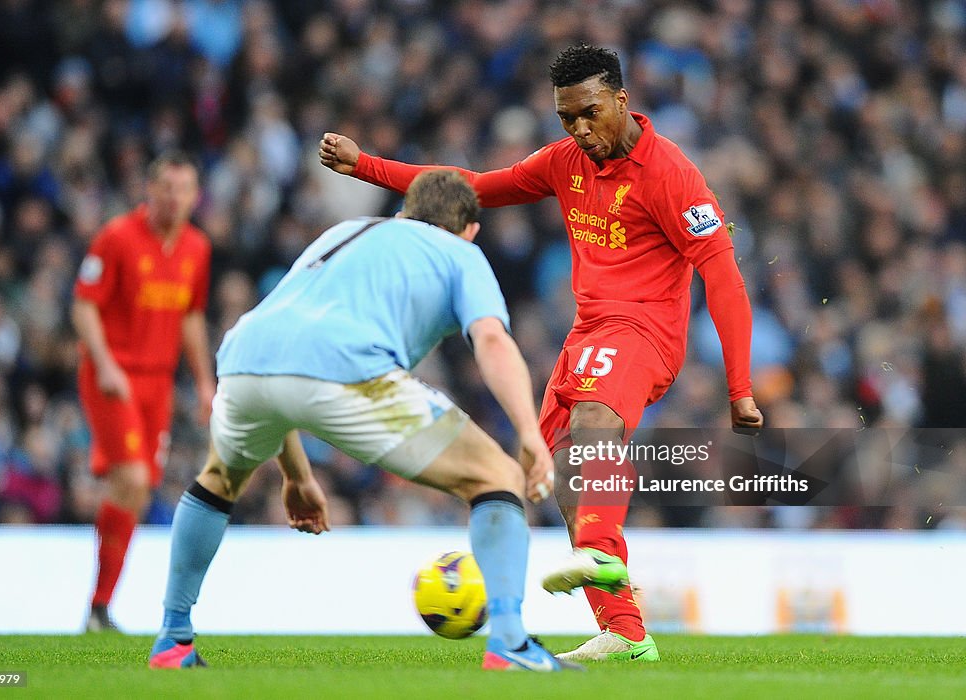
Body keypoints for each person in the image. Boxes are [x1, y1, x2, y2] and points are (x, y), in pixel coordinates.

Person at [319, 43, 764, 662]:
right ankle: (626, 634)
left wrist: (739, 386)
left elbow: (721, 273)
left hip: (644, 332)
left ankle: (600, 551)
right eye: (567, 119)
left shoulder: (671, 174)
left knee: (592, 427)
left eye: (590, 113)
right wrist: (365, 166)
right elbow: (471, 187)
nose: (580, 130)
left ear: (621, 100)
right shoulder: (564, 162)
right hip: (587, 333)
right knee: (559, 475)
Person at [147, 170, 576, 672]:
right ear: (470, 230)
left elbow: (288, 350)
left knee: (218, 479)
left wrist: (297, 476)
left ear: (403, 213)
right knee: (499, 477)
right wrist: (528, 432)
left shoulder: (345, 232)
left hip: (243, 357)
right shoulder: (461, 253)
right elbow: (492, 340)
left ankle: (173, 639)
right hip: (348, 369)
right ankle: (509, 643)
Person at [72, 151, 215, 632]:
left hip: (158, 382)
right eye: (167, 187)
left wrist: (202, 381)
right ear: (149, 190)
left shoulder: (197, 248)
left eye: (184, 189)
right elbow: (84, 305)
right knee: (131, 479)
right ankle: (98, 605)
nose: (175, 198)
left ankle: (99, 608)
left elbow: (191, 316)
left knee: (134, 490)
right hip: (113, 376)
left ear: (196, 197)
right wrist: (105, 362)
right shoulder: (117, 237)